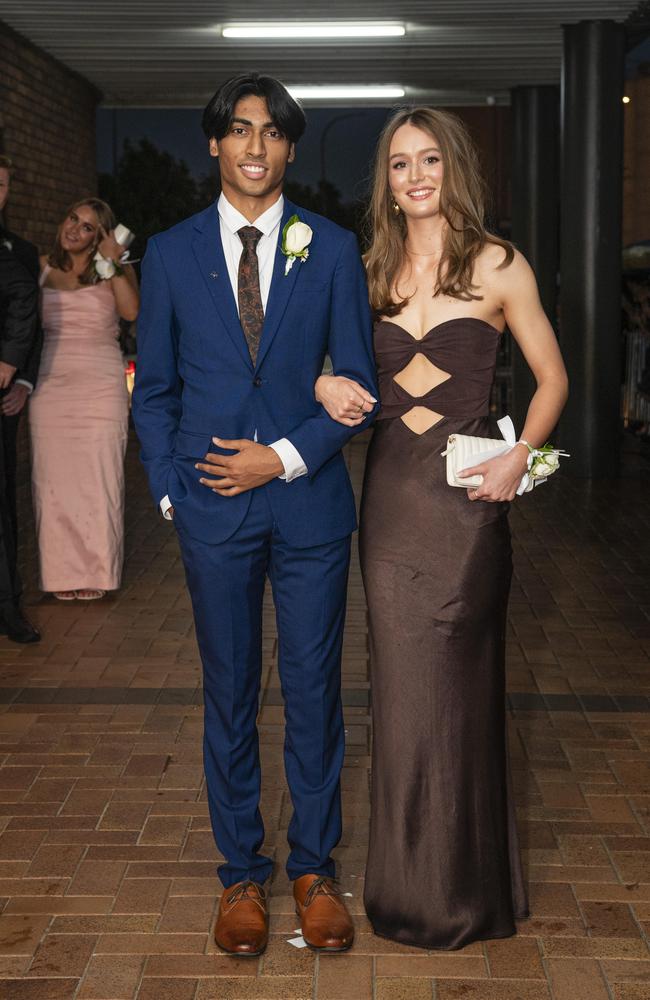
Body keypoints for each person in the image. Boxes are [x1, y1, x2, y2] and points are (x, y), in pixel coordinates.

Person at [132, 73, 378, 957]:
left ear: (289, 149)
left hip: (309, 506)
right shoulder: (167, 253)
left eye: (273, 134)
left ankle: (314, 870)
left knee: (315, 693)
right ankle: (240, 873)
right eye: (240, 130)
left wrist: (284, 455)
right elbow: (153, 389)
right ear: (215, 143)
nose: (255, 147)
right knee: (230, 695)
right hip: (212, 515)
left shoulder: (333, 248)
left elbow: (360, 385)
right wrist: (171, 487)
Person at [316, 107, 569, 950]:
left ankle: (464, 892)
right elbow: (334, 373)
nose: (414, 176)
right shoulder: (368, 271)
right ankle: (404, 887)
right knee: (398, 689)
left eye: (428, 160)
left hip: (466, 505)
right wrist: (325, 389)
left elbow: (552, 379)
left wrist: (521, 456)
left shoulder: (500, 265)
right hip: (389, 505)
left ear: (453, 167)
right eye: (397, 164)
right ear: (385, 182)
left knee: (458, 687)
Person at [29, 198, 139, 600]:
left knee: (99, 479)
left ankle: (97, 572)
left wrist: (112, 262)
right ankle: (60, 576)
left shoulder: (110, 269)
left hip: (99, 386)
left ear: (101, 236)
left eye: (88, 226)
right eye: (73, 218)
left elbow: (130, 313)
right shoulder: (39, 266)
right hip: (51, 386)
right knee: (52, 483)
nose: (75, 228)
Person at [0, 155, 43, 643]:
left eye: (3, 184)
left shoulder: (18, 252)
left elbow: (34, 321)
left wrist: (19, 377)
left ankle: (8, 606)